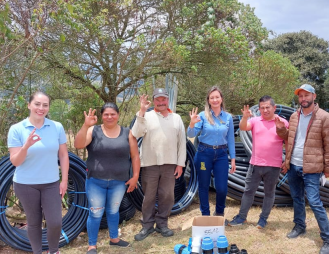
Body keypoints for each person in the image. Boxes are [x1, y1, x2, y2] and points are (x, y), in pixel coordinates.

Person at [275, 84, 329, 254]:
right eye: (300, 96)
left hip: (312, 167)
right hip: (294, 165)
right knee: (296, 198)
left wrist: (328, 168)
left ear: (314, 96)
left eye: (306, 95)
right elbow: (289, 138)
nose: (303, 99)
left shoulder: (325, 118)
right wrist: (281, 128)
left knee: (315, 203)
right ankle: (300, 226)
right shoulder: (294, 116)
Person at [7, 91, 69, 254]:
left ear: (48, 108)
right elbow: (15, 161)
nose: (41, 108)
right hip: (26, 184)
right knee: (34, 222)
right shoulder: (17, 129)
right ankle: (37, 252)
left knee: (55, 221)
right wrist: (26, 146)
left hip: (51, 183)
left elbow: (63, 155)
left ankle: (54, 251)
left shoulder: (56, 127)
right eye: (37, 104)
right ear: (29, 105)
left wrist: (64, 181)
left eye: (45, 105)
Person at [74, 102, 140, 254]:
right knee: (96, 213)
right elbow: (78, 145)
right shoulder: (93, 130)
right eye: (106, 114)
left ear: (118, 115)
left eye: (113, 114)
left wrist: (135, 176)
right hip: (96, 181)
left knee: (113, 211)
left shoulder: (127, 133)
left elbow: (135, 156)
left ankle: (114, 239)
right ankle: (92, 245)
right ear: (102, 116)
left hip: (119, 182)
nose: (109, 117)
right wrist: (85, 125)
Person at [132, 88, 186, 241]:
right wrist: (141, 111)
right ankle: (147, 225)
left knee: (167, 196)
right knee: (148, 196)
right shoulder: (146, 116)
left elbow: (182, 142)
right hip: (150, 164)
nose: (161, 102)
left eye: (164, 99)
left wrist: (180, 164)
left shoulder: (176, 118)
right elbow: (135, 133)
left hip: (170, 164)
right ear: (154, 101)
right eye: (158, 100)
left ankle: (162, 224)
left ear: (167, 100)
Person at [227, 95, 289, 228]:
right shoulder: (255, 121)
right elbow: (243, 127)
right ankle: (242, 217)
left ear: (274, 107)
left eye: (268, 107)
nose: (265, 110)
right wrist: (244, 117)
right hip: (255, 164)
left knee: (269, 193)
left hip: (273, 166)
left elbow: (289, 142)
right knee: (248, 191)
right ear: (259, 109)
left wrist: (287, 159)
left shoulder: (282, 122)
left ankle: (263, 219)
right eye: (262, 108)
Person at [187, 86, 236, 216]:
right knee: (203, 186)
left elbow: (230, 139)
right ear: (208, 100)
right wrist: (191, 124)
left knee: (221, 188)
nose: (215, 100)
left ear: (221, 99)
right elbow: (191, 134)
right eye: (212, 98)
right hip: (204, 154)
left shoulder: (228, 118)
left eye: (217, 97)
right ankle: (206, 215)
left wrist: (233, 158)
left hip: (221, 155)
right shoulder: (202, 116)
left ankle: (219, 214)